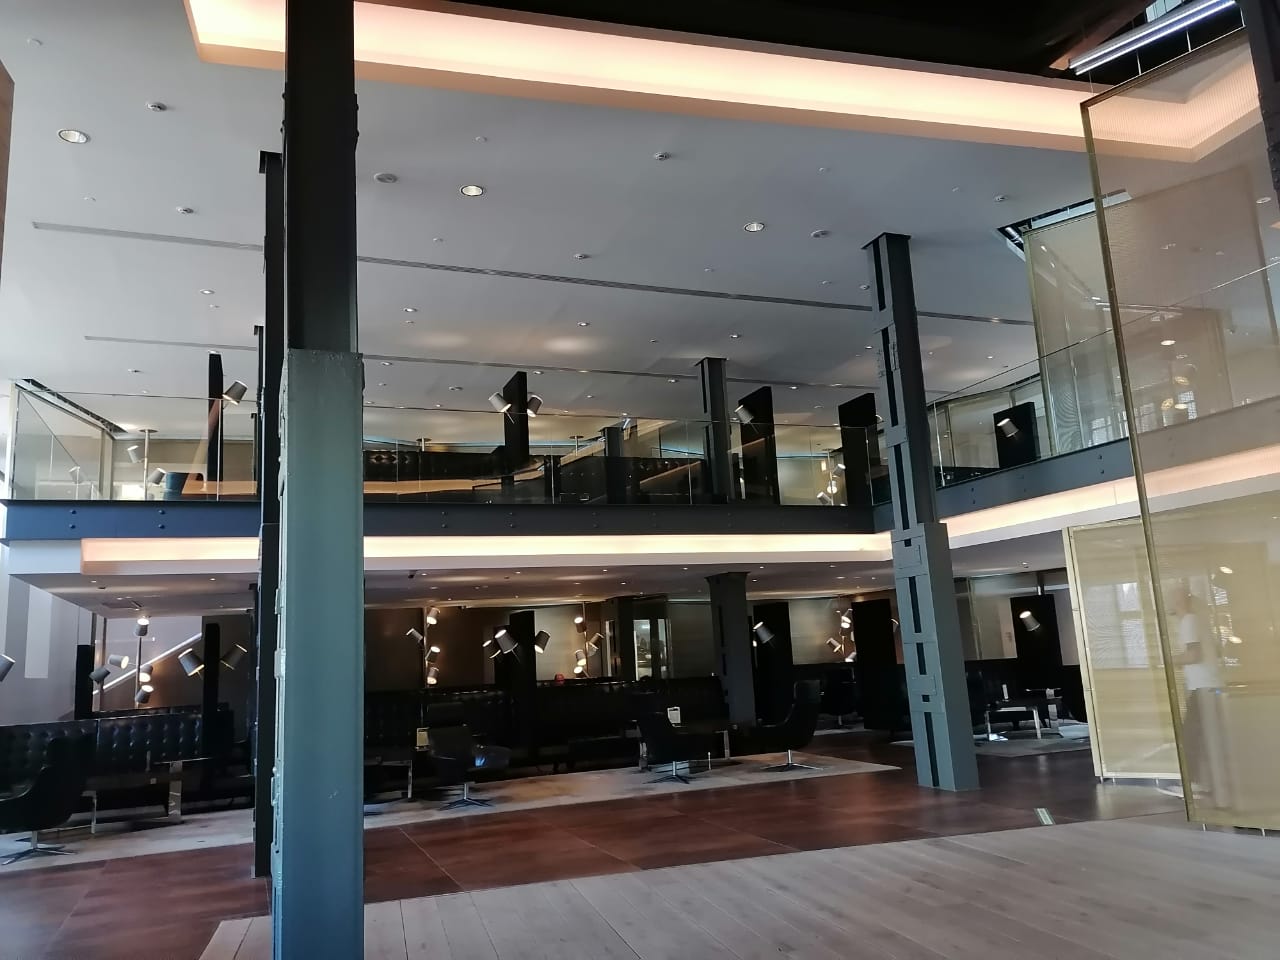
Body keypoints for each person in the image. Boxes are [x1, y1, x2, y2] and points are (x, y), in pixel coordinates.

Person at [1166, 589, 1222, 798]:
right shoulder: (1198, 621)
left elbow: (1193, 655)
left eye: (1172, 598)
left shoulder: (1189, 621)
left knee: (1190, 736)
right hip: (1209, 686)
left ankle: (1194, 783)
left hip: (1203, 687)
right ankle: (1204, 782)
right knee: (1201, 736)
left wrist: (1167, 660)